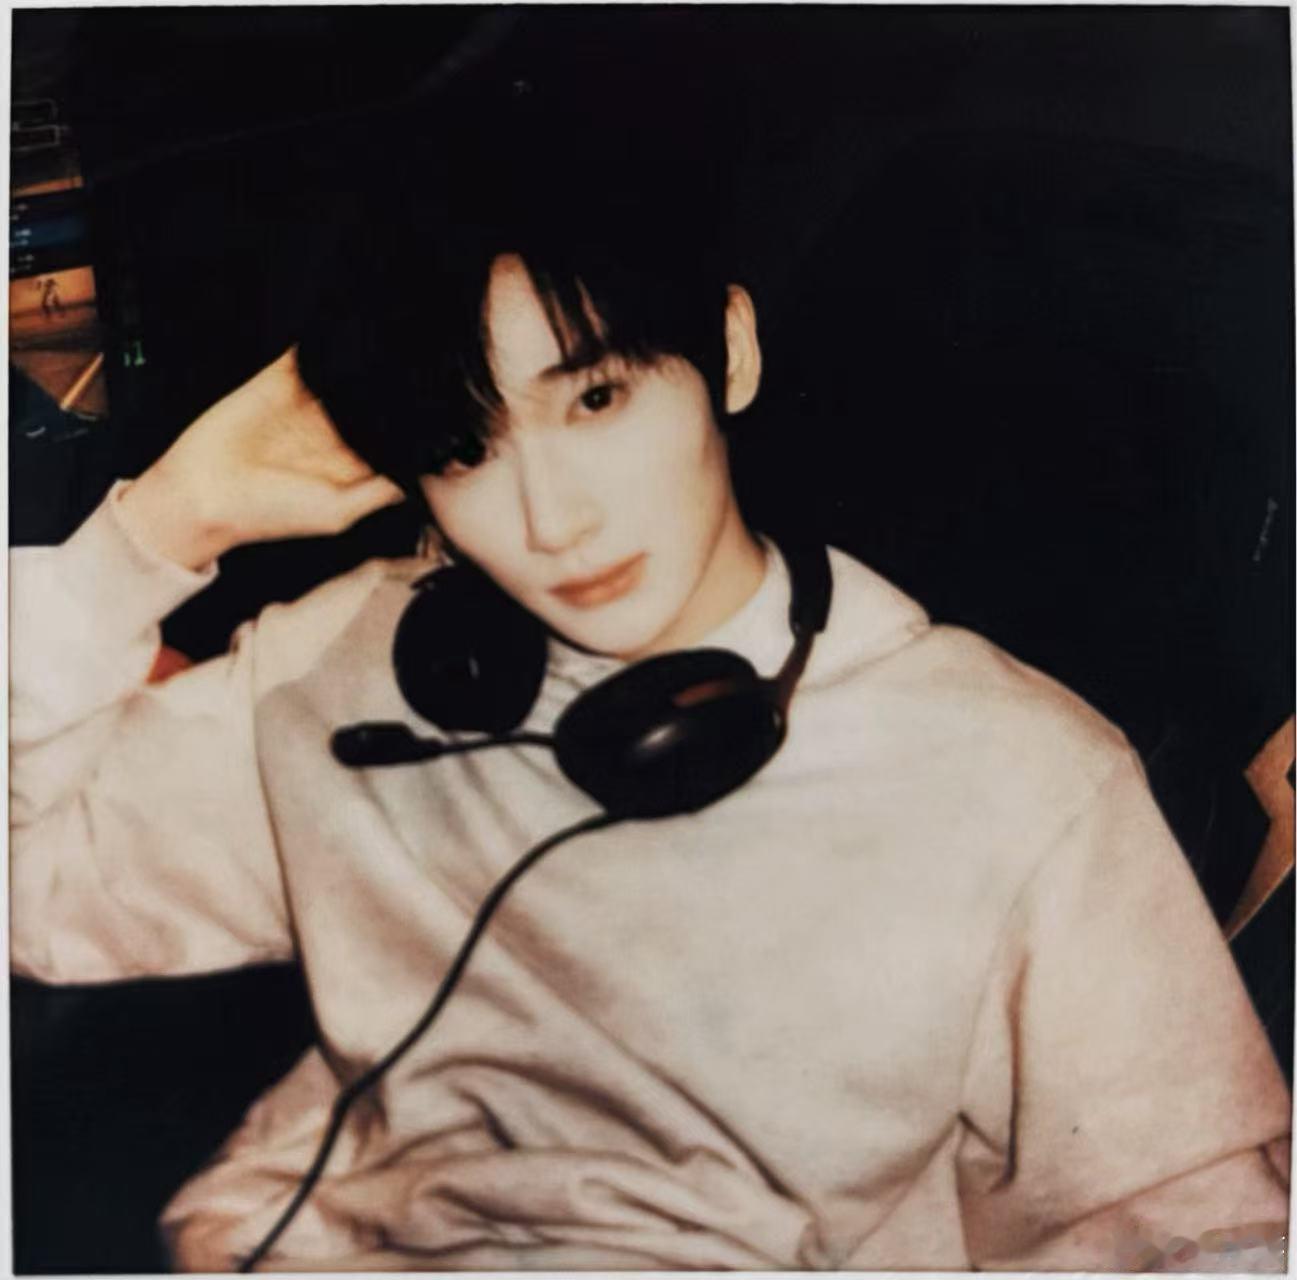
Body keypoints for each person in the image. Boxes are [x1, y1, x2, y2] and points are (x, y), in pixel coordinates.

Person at [10, 91, 1291, 1273]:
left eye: (597, 399)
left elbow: (1198, 1230)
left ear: (728, 353)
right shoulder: (356, 666)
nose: (552, 519)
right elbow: (32, 884)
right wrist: (164, 522)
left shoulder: (1016, 774)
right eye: (464, 447)